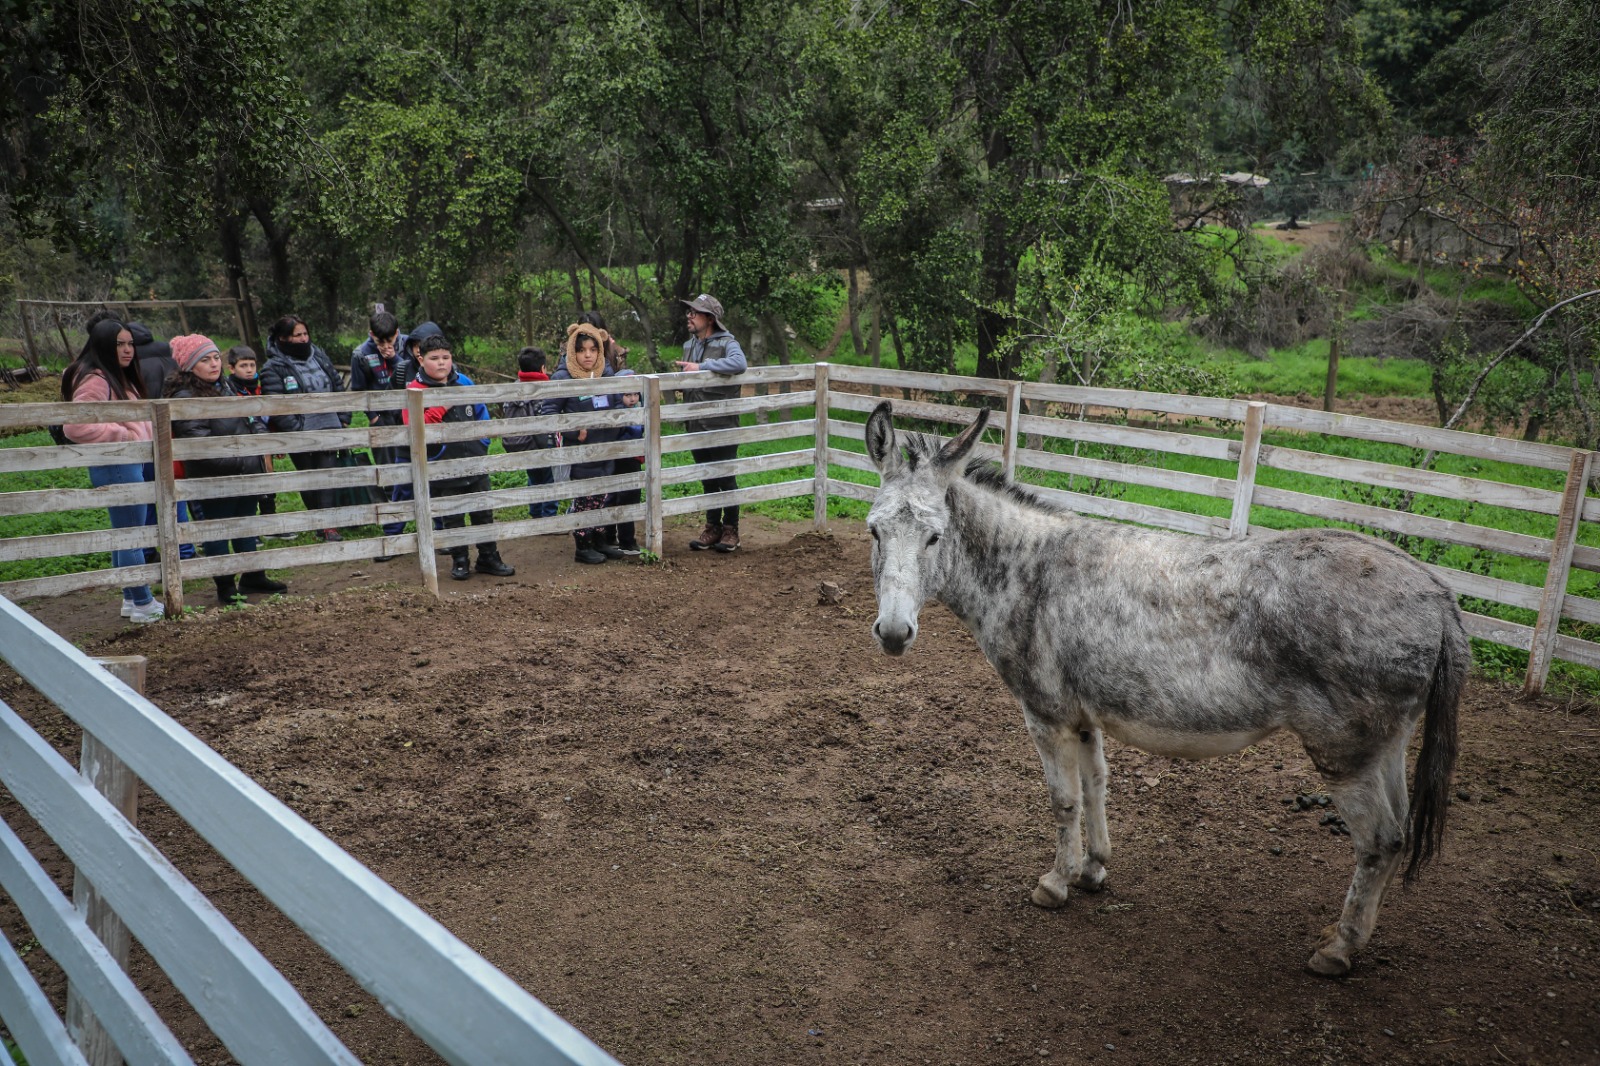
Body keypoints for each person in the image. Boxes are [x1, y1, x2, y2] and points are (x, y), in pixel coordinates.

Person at [164, 335, 288, 604]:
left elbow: (250, 418)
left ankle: (253, 575)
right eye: (205, 360)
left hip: (244, 470)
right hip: (214, 478)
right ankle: (225, 585)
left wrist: (256, 445)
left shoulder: (227, 386)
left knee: (246, 523)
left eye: (216, 358)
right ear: (189, 365)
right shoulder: (186, 397)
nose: (213, 364)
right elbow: (198, 445)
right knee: (218, 529)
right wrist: (241, 459)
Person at [60, 319, 161, 623]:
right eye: (120, 344)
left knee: (125, 531)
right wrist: (124, 436)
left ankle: (132, 599)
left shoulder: (114, 376)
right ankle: (143, 602)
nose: (128, 350)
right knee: (131, 532)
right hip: (117, 462)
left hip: (126, 462)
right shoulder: (97, 378)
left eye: (130, 343)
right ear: (104, 344)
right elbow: (76, 425)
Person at [402, 334, 516, 581]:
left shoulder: (464, 382)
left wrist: (482, 442)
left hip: (474, 460)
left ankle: (489, 556)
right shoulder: (414, 390)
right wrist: (445, 404)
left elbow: (481, 411)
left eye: (446, 357)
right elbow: (414, 424)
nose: (441, 363)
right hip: (442, 466)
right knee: (452, 515)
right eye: (434, 358)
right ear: (421, 359)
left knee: (483, 511)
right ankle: (460, 560)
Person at [258, 315, 350, 541]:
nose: (303, 339)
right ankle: (318, 522)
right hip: (300, 430)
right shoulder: (273, 367)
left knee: (327, 475)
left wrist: (343, 416)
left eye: (305, 334)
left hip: (328, 424)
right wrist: (297, 428)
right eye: (297, 335)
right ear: (283, 338)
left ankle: (329, 527)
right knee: (309, 477)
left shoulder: (318, 355)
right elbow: (275, 402)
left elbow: (337, 384)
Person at [541, 323, 621, 564]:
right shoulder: (563, 377)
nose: (588, 355)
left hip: (606, 447)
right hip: (580, 452)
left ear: (600, 351)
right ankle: (582, 546)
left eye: (593, 350)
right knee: (584, 499)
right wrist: (574, 430)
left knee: (602, 496)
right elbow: (549, 413)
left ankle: (600, 540)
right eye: (581, 350)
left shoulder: (606, 374)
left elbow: (617, 402)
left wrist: (616, 419)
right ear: (571, 352)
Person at [673, 293, 747, 552]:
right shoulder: (688, 345)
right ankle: (712, 527)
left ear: (710, 318)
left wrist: (702, 367)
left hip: (722, 424)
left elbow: (740, 364)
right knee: (707, 478)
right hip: (695, 423)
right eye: (689, 311)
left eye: (695, 312)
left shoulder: (728, 343)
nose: (689, 316)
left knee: (725, 477)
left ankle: (731, 530)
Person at [350, 309, 408, 545]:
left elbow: (409, 374)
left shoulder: (407, 346)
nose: (385, 345)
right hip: (381, 418)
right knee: (387, 469)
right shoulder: (360, 354)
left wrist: (393, 357)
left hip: (406, 414)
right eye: (379, 340)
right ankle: (392, 525)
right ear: (371, 334)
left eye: (390, 339)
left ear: (397, 333)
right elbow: (359, 389)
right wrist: (373, 416)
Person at [225, 345, 286, 538]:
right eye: (244, 365)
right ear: (232, 368)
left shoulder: (262, 386)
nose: (249, 369)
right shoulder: (229, 389)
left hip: (264, 438)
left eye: (252, 365)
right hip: (243, 442)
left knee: (268, 478)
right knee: (249, 485)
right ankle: (250, 530)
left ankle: (270, 523)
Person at [500, 346, 559, 519]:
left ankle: (535, 513)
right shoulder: (544, 388)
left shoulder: (515, 387)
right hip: (543, 443)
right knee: (549, 479)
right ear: (543, 368)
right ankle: (549, 517)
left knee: (534, 478)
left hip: (523, 443)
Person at [604, 369, 644, 556]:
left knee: (629, 497)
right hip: (615, 458)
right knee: (612, 496)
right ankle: (611, 536)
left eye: (636, 394)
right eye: (627, 394)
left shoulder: (640, 412)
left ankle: (626, 539)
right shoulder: (614, 412)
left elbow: (637, 431)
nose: (633, 398)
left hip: (632, 459)